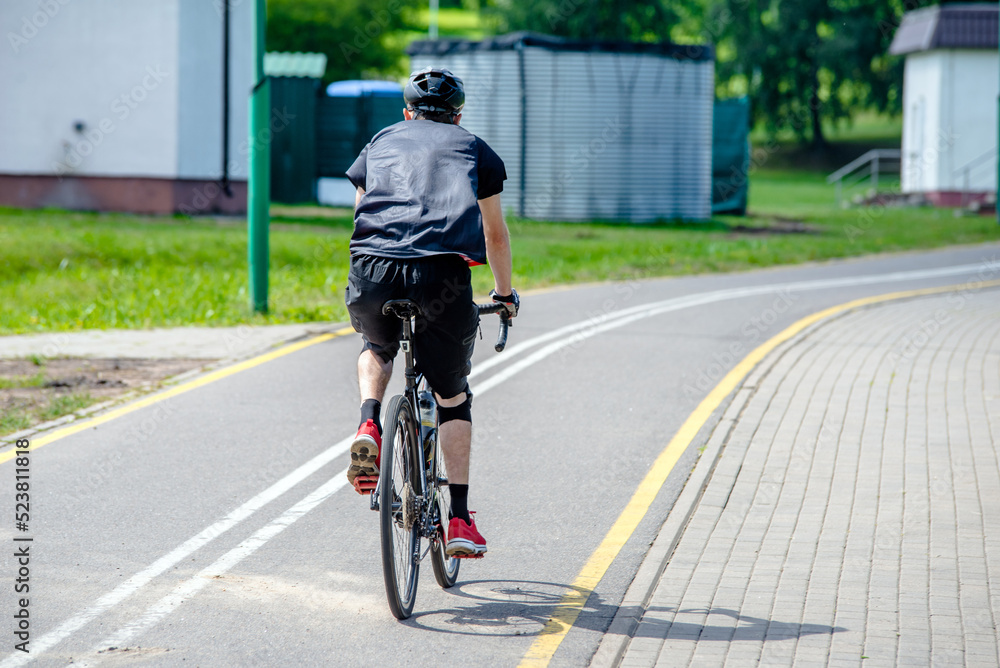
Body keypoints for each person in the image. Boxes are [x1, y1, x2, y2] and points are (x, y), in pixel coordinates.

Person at [343, 67, 518, 558]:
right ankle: (459, 519)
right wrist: (504, 295)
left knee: (376, 346)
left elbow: (362, 212)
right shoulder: (475, 149)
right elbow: (495, 235)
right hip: (440, 277)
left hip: (373, 267)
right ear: (458, 115)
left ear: (407, 113)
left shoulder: (379, 142)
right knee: (451, 395)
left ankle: (369, 424)